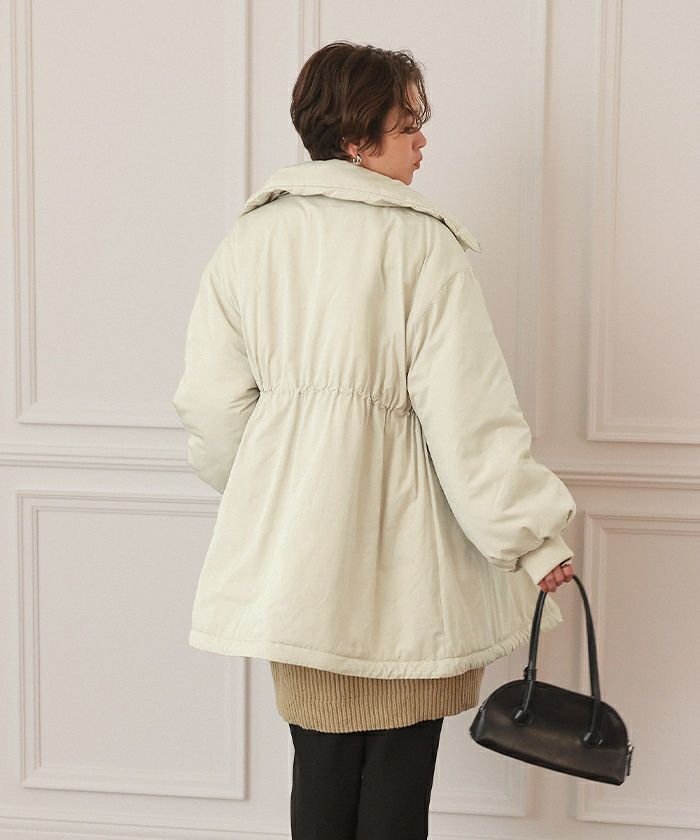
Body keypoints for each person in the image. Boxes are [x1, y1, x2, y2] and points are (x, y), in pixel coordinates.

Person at [172, 40, 576, 840]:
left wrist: (278, 493)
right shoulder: (422, 244)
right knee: (398, 779)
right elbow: (470, 417)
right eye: (408, 124)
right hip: (407, 576)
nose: (423, 142)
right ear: (358, 139)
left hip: (299, 568)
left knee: (318, 767)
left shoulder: (249, 241)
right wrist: (532, 538)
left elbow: (210, 407)